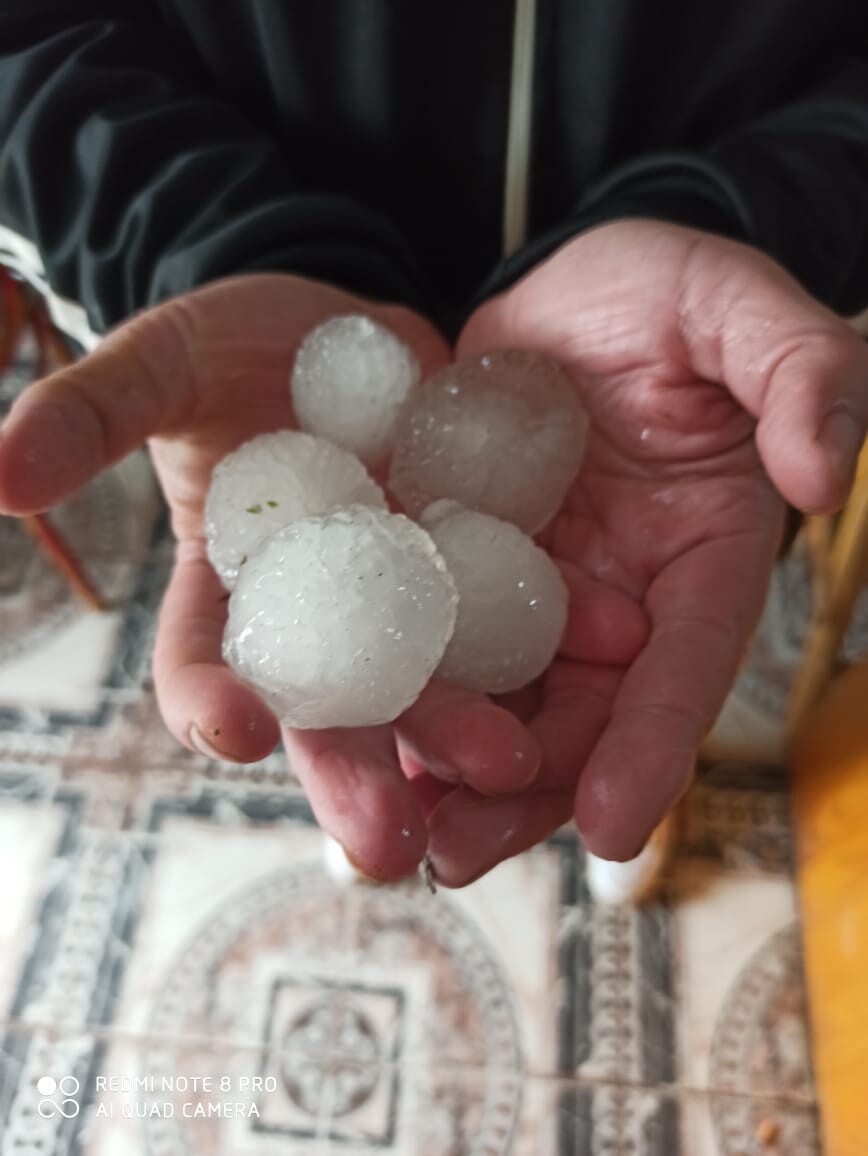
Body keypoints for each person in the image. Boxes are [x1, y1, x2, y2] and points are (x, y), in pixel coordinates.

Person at [0, 3, 865, 887]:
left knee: (636, 666)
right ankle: (402, 771)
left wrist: (752, 226)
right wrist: (199, 246)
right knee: (485, 722)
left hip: (662, 362)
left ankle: (616, 803)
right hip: (262, 217)